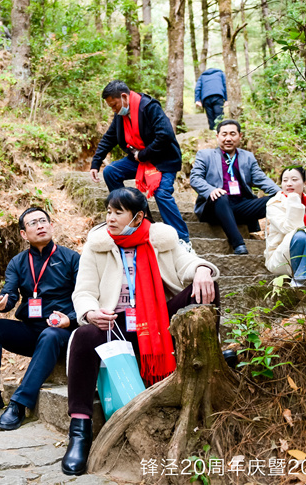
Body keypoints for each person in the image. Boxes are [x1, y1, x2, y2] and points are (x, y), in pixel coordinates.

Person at [60, 188, 220, 476]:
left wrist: (202, 269)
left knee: (207, 288)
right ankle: (80, 430)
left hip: (159, 320)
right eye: (108, 211)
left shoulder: (161, 239)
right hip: (117, 323)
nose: (110, 218)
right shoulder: (97, 246)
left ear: (138, 216)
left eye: (118, 212)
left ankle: (209, 360)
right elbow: (83, 292)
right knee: (84, 336)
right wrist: (91, 313)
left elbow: (187, 265)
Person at [0, 207, 80, 431]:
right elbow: (9, 296)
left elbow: (87, 297)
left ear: (51, 226)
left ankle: (19, 403)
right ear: (23, 234)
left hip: (62, 331)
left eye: (43, 221)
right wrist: (0, 304)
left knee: (50, 334)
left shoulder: (71, 258)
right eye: (32, 223)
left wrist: (70, 319)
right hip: (31, 330)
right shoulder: (18, 263)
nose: (40, 226)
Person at [89, 80, 192, 250]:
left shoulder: (149, 107)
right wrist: (95, 163)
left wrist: (143, 154)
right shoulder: (120, 115)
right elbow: (109, 137)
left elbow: (165, 135)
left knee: (162, 192)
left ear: (124, 97)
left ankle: (183, 240)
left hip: (163, 159)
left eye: (114, 105)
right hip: (138, 159)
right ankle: (144, 222)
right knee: (111, 172)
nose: (114, 110)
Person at [189, 119, 280, 254]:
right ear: (217, 136)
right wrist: (211, 190)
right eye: (224, 134)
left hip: (240, 207)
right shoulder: (206, 155)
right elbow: (195, 178)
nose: (228, 138)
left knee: (274, 201)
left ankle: (279, 243)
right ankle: (238, 244)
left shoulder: (247, 157)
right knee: (221, 196)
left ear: (240, 136)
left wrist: (282, 194)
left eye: (232, 134)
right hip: (214, 207)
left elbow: (261, 179)